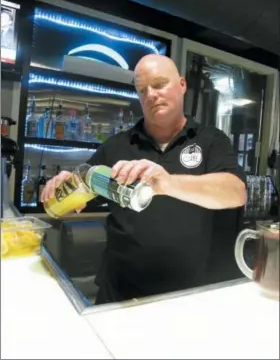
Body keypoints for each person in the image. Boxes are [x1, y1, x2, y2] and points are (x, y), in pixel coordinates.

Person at [41, 54, 246, 304]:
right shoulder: (116, 146)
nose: (150, 95)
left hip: (188, 295)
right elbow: (78, 196)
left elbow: (235, 192)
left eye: (159, 84)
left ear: (182, 85)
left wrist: (167, 182)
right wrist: (63, 189)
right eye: (142, 90)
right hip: (120, 293)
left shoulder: (211, 140)